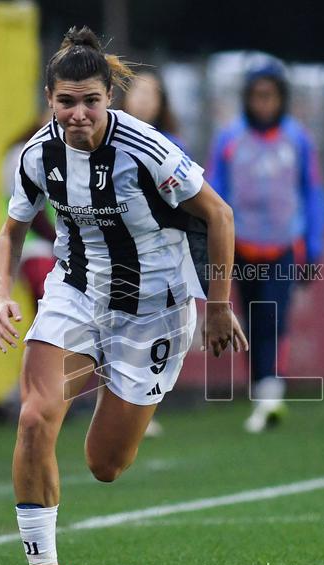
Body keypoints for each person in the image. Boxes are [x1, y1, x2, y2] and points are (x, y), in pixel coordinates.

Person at [0, 26, 246, 565]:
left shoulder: (148, 149)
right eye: (65, 101)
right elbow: (12, 230)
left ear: (110, 98)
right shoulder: (38, 155)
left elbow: (221, 215)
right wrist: (3, 295)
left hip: (153, 312)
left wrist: (216, 305)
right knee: (34, 417)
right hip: (75, 295)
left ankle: (108, 377)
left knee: (105, 465)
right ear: (50, 99)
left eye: (91, 101)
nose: (78, 114)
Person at [207, 56, 324, 434]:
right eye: (257, 95)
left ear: (281, 98)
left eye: (270, 95)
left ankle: (272, 391)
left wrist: (314, 244)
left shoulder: (298, 139)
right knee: (247, 319)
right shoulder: (229, 139)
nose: (264, 103)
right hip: (239, 246)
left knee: (273, 316)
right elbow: (214, 193)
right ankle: (260, 391)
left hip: (283, 245)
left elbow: (313, 192)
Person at [121, 66, 185, 438]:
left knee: (152, 333)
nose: (144, 100)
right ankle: (117, 408)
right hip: (118, 255)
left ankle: (141, 408)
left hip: (162, 254)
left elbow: (194, 205)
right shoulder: (105, 141)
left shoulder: (173, 146)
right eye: (138, 92)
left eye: (152, 94)